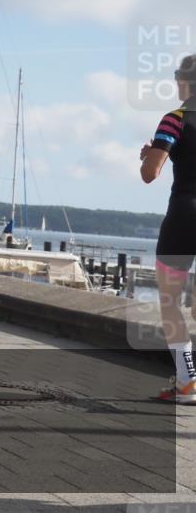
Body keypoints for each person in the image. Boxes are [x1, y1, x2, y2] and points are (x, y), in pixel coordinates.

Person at [141, 54, 196, 404]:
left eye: (177, 75)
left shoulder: (174, 119)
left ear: (185, 81)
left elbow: (150, 173)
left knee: (170, 301)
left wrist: (150, 155)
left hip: (184, 216)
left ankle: (187, 381)